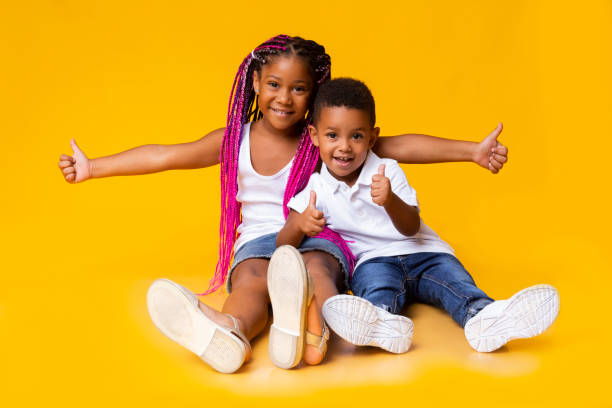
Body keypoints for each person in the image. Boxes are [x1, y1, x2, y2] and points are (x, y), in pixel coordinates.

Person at [58, 35, 509, 373]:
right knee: (252, 279)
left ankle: (319, 327)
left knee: (316, 268)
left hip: (318, 233)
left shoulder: (325, 139)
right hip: (260, 240)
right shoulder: (232, 141)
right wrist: (93, 166)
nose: (284, 98)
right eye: (274, 84)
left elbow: (400, 146)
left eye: (299, 89)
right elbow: (164, 155)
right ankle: (230, 333)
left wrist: (471, 151)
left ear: (315, 94)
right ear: (255, 82)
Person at [278, 77, 558, 354]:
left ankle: (486, 316)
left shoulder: (387, 169)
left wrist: (390, 200)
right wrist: (300, 224)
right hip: (373, 261)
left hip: (427, 254)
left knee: (456, 285)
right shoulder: (315, 188)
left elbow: (410, 227)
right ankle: (383, 325)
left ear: (372, 137)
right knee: (375, 291)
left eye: (356, 136)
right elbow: (282, 243)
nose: (344, 147)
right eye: (332, 135)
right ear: (314, 136)